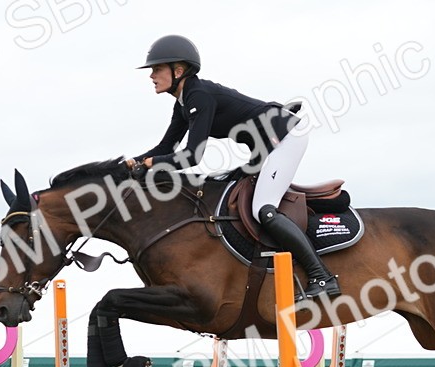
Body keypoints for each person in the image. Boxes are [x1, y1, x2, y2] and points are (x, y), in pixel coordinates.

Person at [125, 35, 341, 299]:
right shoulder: (184, 103)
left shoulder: (199, 96)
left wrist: (154, 164)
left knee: (264, 210)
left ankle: (321, 277)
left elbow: (193, 157)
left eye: (157, 69)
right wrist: (133, 163)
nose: (152, 75)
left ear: (178, 70)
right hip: (265, 147)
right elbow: (166, 148)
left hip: (286, 139)